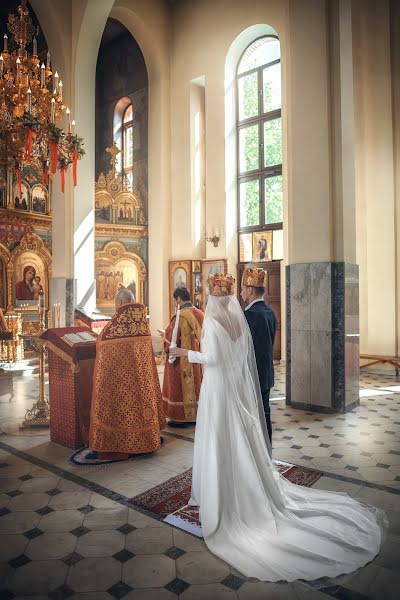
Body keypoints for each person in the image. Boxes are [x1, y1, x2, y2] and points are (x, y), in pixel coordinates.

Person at [170, 273, 386, 582]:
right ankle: (235, 483)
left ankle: (221, 496)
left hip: (219, 389)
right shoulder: (237, 318)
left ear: (212, 297)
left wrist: (184, 354)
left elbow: (214, 358)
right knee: (236, 438)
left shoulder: (217, 321)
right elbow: (241, 357)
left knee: (219, 438)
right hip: (233, 389)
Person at [87, 288, 165, 461]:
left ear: (120, 303)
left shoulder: (115, 325)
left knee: (123, 412)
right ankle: (146, 440)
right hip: (142, 383)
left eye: (116, 304)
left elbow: (101, 344)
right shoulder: (142, 322)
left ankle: (120, 443)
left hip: (122, 385)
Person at [241, 267, 277, 444]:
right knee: (265, 414)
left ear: (250, 289)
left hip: (252, 375)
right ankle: (267, 453)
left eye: (242, 288)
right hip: (267, 373)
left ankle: (258, 457)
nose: (240, 292)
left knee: (254, 417)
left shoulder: (249, 315)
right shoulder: (270, 312)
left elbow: (244, 348)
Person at [162, 287, 204, 425]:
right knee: (197, 386)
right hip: (198, 359)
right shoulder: (200, 314)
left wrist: (164, 342)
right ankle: (197, 415)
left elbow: (170, 339)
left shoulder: (180, 316)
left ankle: (180, 418)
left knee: (180, 388)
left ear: (179, 299)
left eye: (176, 300)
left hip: (182, 362)